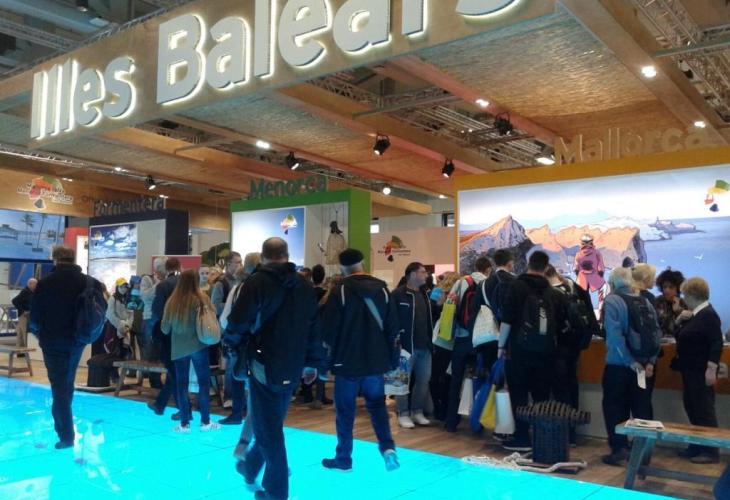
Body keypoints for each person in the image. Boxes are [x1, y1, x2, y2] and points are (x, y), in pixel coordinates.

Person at [224, 237, 322, 500]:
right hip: (294, 364)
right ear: (287, 255)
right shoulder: (304, 285)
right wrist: (313, 362)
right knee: (271, 422)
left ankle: (277, 493)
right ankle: (250, 466)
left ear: (263, 256)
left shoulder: (255, 283)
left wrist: (232, 346)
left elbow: (237, 322)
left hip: (263, 363)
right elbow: (314, 327)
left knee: (269, 430)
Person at [320, 249, 400, 473]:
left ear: (341, 267)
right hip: (375, 362)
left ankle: (344, 458)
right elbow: (393, 328)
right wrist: (391, 359)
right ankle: (388, 448)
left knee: (345, 412)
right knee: (377, 407)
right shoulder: (383, 290)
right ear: (362, 263)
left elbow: (329, 330)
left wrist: (326, 361)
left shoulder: (340, 291)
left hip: (347, 362)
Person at [29, 246, 104, 449]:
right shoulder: (89, 282)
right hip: (78, 340)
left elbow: (34, 318)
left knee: (59, 386)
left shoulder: (45, 284)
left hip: (53, 342)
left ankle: (66, 435)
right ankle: (65, 427)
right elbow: (101, 312)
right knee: (66, 381)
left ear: (55, 259)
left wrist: (40, 335)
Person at [497, 251, 566, 451]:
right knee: (541, 396)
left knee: (519, 394)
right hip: (545, 352)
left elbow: (507, 320)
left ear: (528, 263)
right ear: (546, 267)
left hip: (518, 350)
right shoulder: (552, 291)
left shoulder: (516, 286)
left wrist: (501, 346)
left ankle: (521, 437)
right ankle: (541, 437)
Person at [601, 268, 660, 466]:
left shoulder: (612, 301)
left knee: (615, 408)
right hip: (644, 366)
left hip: (619, 366)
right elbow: (656, 333)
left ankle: (619, 449)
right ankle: (643, 452)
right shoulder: (645, 301)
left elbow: (614, 337)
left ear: (612, 283)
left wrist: (630, 362)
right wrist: (650, 361)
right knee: (642, 408)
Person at [161, 269, 220, 433]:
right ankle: (205, 421)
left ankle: (184, 423)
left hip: (179, 349)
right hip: (199, 346)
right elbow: (213, 315)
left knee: (181, 385)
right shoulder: (202, 299)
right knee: (204, 384)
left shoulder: (172, 302)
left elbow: (164, 329)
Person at [545, 265, 598, 445]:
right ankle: (572, 431)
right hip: (575, 345)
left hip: (558, 347)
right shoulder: (573, 287)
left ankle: (564, 431)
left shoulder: (551, 294)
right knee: (571, 385)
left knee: (560, 390)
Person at [674, 278, 723, 464]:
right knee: (692, 407)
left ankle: (710, 451)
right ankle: (697, 445)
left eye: (685, 294)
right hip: (690, 370)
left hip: (700, 371)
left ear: (692, 295)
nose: (683, 298)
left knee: (703, 410)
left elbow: (716, 343)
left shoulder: (708, 315)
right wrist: (679, 320)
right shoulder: (696, 315)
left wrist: (711, 368)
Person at [444, 256, 494, 432]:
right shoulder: (489, 285)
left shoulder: (461, 282)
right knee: (480, 379)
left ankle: (451, 422)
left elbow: (449, 306)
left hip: (461, 338)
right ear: (488, 269)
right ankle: (477, 423)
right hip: (481, 339)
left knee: (456, 380)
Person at [220, 253, 261, 425]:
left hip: (241, 341)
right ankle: (254, 414)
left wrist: (230, 337)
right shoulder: (269, 288)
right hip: (262, 342)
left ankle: (237, 412)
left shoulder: (239, 289)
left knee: (238, 376)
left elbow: (226, 318)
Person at [392, 262, 434, 429]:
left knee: (424, 380)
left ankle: (417, 411)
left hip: (425, 346)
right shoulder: (398, 294)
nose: (426, 275)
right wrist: (395, 340)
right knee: (402, 381)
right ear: (413, 274)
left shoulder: (425, 294)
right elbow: (391, 319)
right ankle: (402, 413)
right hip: (405, 346)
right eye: (423, 272)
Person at [147, 257, 182, 418]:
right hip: (185, 333)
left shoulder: (163, 286)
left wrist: (155, 332)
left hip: (168, 332)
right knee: (175, 371)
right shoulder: (187, 285)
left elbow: (156, 311)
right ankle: (161, 405)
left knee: (173, 371)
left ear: (166, 269)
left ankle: (183, 409)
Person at [139, 259, 166, 389]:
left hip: (164, 318)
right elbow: (145, 296)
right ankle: (154, 381)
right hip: (150, 318)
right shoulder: (147, 279)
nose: (165, 270)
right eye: (164, 267)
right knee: (151, 349)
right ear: (157, 269)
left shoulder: (168, 280)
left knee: (162, 349)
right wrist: (159, 285)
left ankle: (159, 378)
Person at [105, 278, 134, 382]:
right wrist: (120, 325)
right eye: (121, 287)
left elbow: (131, 314)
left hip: (125, 331)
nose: (123, 289)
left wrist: (128, 325)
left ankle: (117, 375)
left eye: (125, 287)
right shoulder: (112, 299)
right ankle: (113, 375)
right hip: (114, 329)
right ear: (117, 287)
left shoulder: (128, 300)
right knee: (113, 352)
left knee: (123, 352)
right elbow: (110, 314)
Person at [573, 234, 606, 311]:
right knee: (603, 287)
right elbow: (601, 268)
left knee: (583, 295)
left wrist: (579, 276)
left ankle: (585, 310)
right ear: (591, 242)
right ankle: (601, 309)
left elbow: (575, 268)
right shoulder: (597, 253)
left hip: (582, 279)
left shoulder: (578, 254)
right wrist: (600, 276)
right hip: (594, 277)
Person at [482, 249, 516, 324]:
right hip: (510, 324)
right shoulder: (515, 280)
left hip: (492, 325)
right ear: (509, 263)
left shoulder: (485, 282)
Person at [655, 269, 687, 339]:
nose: (667, 290)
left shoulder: (684, 304)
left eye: (671, 287)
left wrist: (678, 313)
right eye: (664, 287)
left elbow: (686, 329)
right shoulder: (656, 302)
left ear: (678, 289)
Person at [212, 251, 243, 317]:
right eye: (238, 262)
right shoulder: (220, 283)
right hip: (225, 321)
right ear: (229, 264)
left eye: (241, 262)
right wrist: (234, 305)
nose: (241, 265)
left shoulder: (242, 280)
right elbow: (215, 307)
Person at [12, 277, 37, 348]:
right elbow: (14, 301)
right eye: (35, 284)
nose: (36, 286)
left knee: (20, 334)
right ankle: (26, 350)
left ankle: (19, 350)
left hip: (28, 315)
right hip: (24, 316)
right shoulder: (25, 292)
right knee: (25, 333)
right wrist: (23, 311)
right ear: (30, 284)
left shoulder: (32, 292)